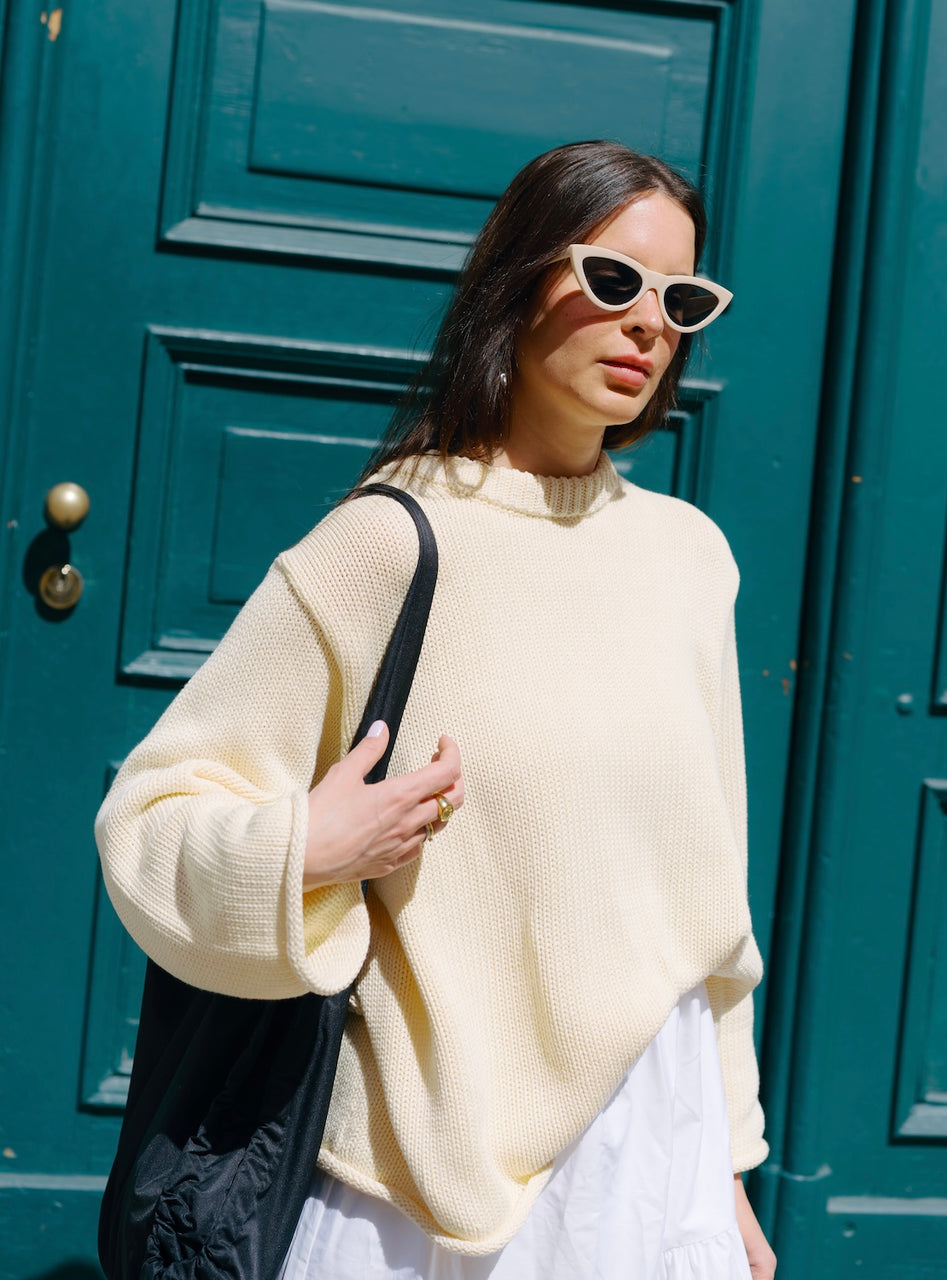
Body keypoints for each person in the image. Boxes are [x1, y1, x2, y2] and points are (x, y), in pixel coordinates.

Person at [96, 140, 776, 1280]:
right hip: (418, 1185)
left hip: (652, 1160)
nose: (649, 324)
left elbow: (711, 918)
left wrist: (728, 1176)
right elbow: (151, 814)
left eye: (683, 300)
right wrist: (304, 847)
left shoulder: (689, 559)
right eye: (612, 281)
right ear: (515, 281)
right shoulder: (387, 542)